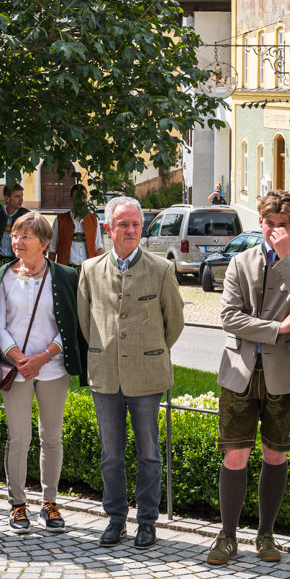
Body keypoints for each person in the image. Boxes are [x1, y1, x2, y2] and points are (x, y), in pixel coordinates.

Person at [209, 190, 290, 566]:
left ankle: (266, 534)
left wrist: (287, 259)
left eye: (283, 225)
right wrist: (277, 328)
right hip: (239, 371)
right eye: (270, 224)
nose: (275, 231)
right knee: (235, 455)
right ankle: (227, 536)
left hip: (285, 374)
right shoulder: (240, 261)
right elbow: (229, 317)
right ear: (260, 223)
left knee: (275, 454)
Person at [76, 195, 183, 549]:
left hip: (146, 374)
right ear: (108, 228)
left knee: (149, 453)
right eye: (123, 224)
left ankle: (147, 522)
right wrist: (106, 351)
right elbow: (85, 322)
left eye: (136, 224)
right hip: (105, 374)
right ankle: (116, 519)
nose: (131, 230)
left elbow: (174, 323)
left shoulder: (161, 269)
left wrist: (148, 351)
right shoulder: (90, 269)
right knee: (111, 455)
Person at [0, 210, 83, 533]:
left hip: (53, 368)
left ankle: (49, 503)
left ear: (44, 242)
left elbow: (71, 325)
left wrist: (43, 357)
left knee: (51, 437)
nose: (17, 241)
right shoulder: (3, 275)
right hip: (16, 369)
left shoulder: (65, 276)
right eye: (14, 235)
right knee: (19, 438)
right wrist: (19, 358)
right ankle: (18, 504)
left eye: (25, 236)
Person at [0, 185, 26, 277]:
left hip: (17, 264)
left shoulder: (26, 215)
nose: (21, 199)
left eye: (21, 196)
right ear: (7, 198)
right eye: (17, 196)